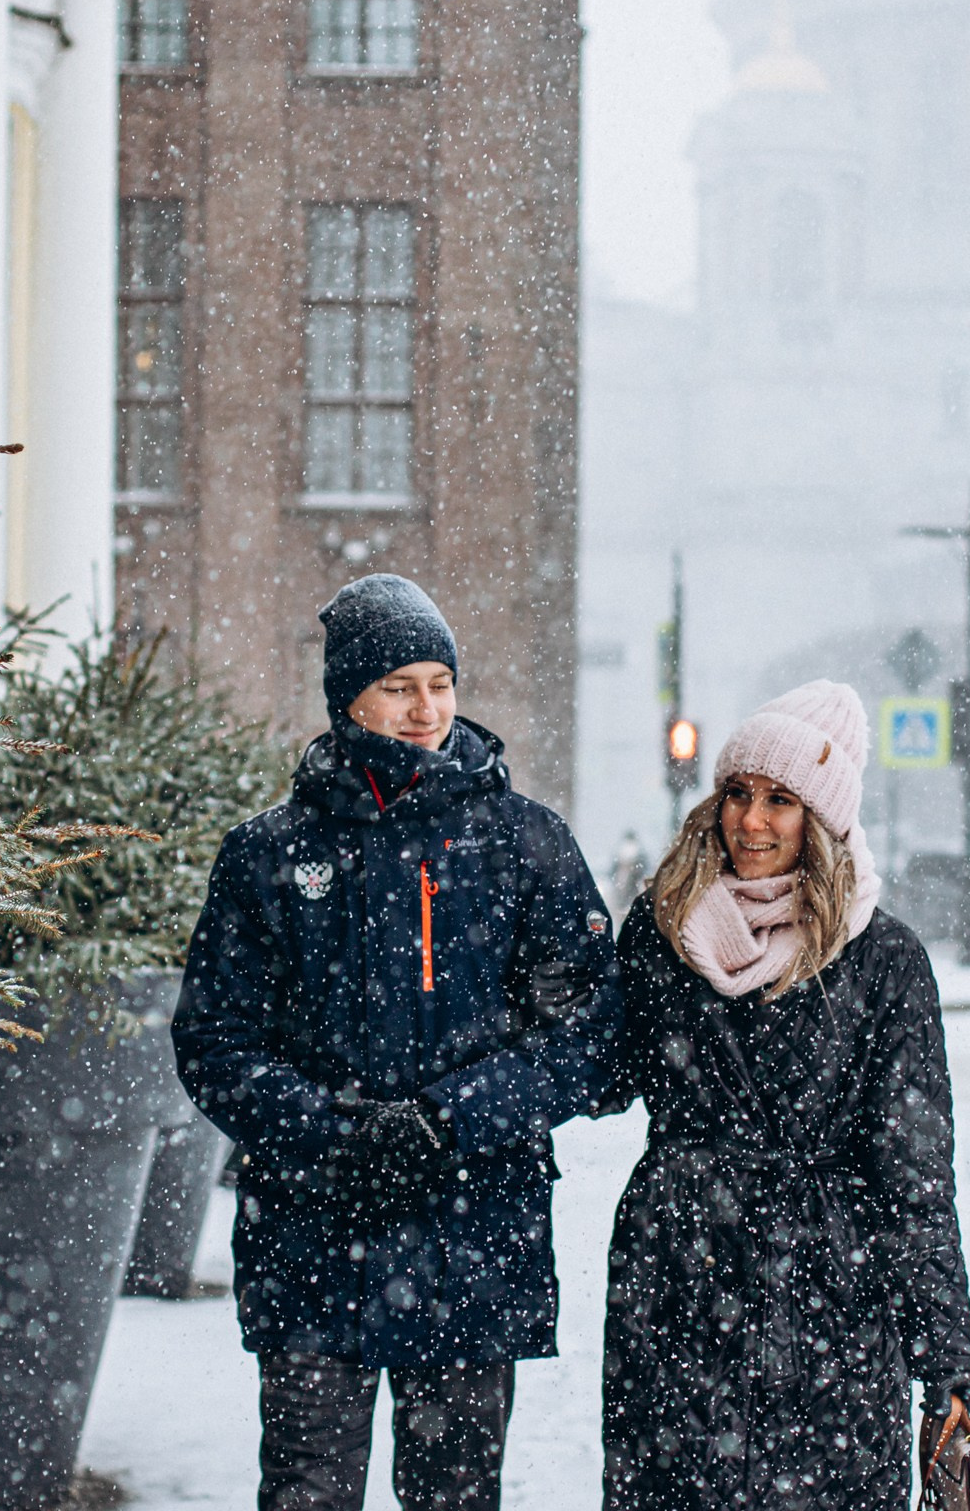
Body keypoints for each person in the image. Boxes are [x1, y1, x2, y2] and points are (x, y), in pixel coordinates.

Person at [173, 573, 623, 1511]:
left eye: (441, 684)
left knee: (455, 1491)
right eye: (400, 686)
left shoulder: (525, 844)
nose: (427, 708)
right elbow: (215, 1040)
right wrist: (330, 1127)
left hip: (472, 1227)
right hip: (311, 1230)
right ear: (349, 699)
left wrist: (446, 1120)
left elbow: (587, 1034)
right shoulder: (267, 854)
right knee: (306, 1487)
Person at [599, 680, 970, 1510]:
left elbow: (914, 1175)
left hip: (830, 1296)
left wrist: (945, 1356)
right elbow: (599, 1071)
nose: (751, 821)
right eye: (737, 793)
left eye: (781, 800)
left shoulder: (883, 961)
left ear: (824, 822)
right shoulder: (662, 929)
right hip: (676, 1279)